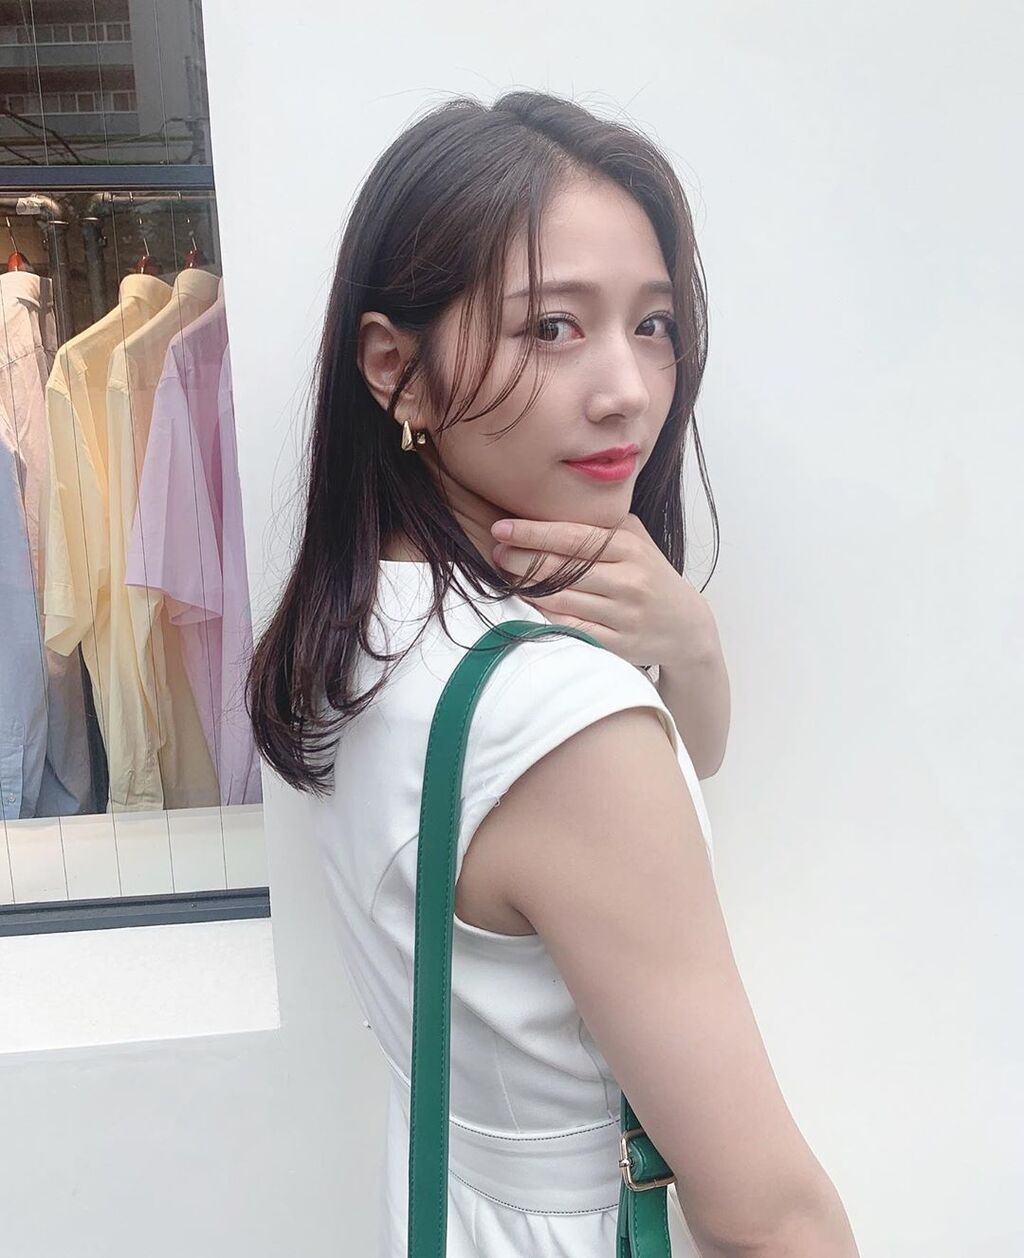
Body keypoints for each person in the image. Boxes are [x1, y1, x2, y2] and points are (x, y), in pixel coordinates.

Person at [247, 89, 860, 1257]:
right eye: (552, 327)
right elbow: (768, 1216)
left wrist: (688, 642)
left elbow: (682, 761)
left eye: (652, 323)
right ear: (398, 371)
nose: (627, 386)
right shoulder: (560, 721)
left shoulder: (369, 625)